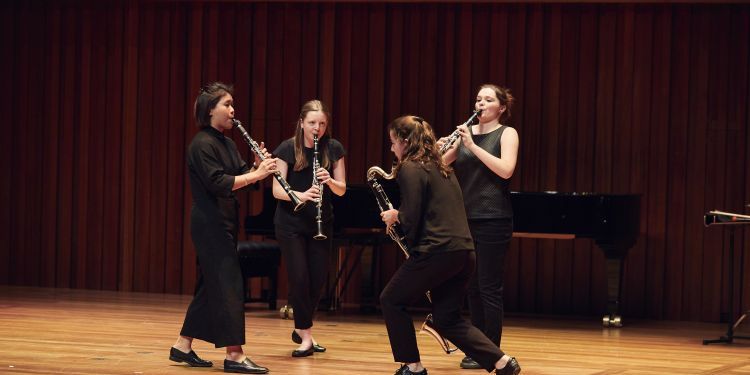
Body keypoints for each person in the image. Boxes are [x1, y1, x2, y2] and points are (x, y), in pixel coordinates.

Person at [379, 115, 521, 375]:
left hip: (438, 251)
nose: (392, 149)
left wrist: (395, 216)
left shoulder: (411, 167)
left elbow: (412, 216)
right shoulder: (440, 167)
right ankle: (503, 362)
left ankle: (413, 366)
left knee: (390, 299)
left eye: (393, 143)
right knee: (447, 318)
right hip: (464, 253)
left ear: (405, 141)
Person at [171, 82, 276, 374]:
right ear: (210, 109)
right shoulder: (201, 144)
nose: (233, 110)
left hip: (226, 221)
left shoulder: (227, 143)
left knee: (211, 285)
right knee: (229, 284)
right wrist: (256, 174)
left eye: (232, 104)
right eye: (227, 104)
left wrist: (256, 166)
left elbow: (241, 176)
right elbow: (219, 183)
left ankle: (182, 345)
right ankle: (234, 355)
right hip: (209, 223)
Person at [438, 84, 518, 370]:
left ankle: (492, 352)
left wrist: (471, 147)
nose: (480, 104)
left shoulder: (506, 133)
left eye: (488, 99)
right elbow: (440, 166)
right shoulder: (465, 135)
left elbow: (506, 170)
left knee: (489, 287)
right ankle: (478, 348)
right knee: (470, 286)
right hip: (465, 218)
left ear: (502, 108)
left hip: (494, 218)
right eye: (478, 99)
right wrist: (439, 148)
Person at [272, 99, 347, 357]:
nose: (318, 128)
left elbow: (342, 189)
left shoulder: (333, 148)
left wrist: (330, 180)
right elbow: (276, 189)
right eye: (313, 123)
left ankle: (302, 328)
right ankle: (306, 336)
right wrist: (300, 195)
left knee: (317, 279)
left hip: (321, 220)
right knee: (300, 278)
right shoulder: (287, 148)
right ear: (302, 122)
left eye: (322, 123)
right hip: (290, 223)